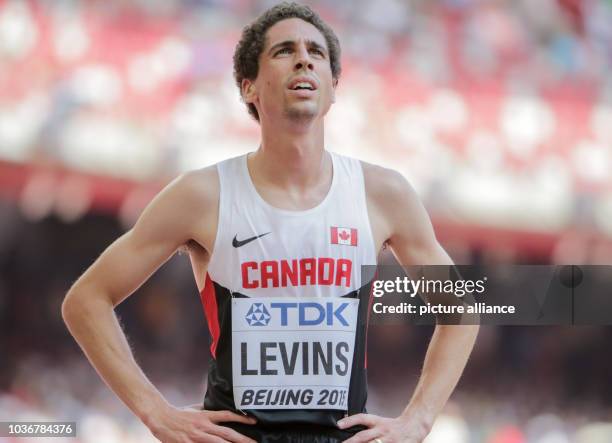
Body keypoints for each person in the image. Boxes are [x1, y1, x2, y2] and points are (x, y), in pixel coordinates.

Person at [62, 2, 479, 442]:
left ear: (333, 88)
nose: (304, 58)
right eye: (284, 50)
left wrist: (419, 419)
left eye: (316, 52)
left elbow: (461, 309)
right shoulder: (203, 195)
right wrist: (154, 412)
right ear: (249, 88)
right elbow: (86, 300)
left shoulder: (382, 194)